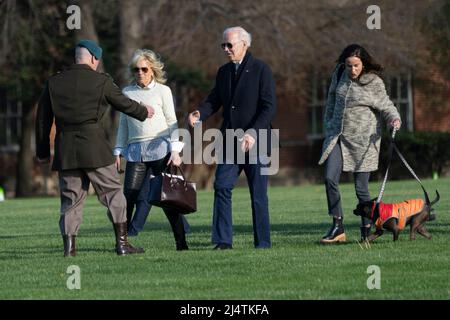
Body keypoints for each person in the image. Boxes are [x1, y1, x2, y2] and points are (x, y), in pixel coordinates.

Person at [35, 39, 155, 257]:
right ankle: (122, 244)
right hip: (95, 149)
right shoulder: (101, 81)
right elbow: (123, 103)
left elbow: (43, 119)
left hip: (66, 151)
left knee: (71, 201)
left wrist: (43, 151)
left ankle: (69, 250)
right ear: (93, 58)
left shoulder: (54, 82)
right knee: (113, 193)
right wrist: (144, 111)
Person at [188, 26, 277, 249]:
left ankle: (263, 243)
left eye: (230, 45)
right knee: (222, 187)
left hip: (257, 141)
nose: (226, 49)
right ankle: (222, 241)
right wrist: (200, 113)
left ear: (244, 45)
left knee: (258, 195)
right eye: (223, 45)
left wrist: (252, 133)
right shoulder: (223, 72)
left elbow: (269, 107)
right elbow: (214, 100)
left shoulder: (261, 69)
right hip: (229, 142)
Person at [318, 44, 401, 244]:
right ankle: (337, 226)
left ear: (364, 63)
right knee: (330, 177)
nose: (352, 70)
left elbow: (386, 105)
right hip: (337, 136)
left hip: (364, 142)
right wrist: (328, 123)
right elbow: (331, 101)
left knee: (361, 189)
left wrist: (394, 119)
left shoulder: (374, 82)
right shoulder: (339, 74)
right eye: (348, 66)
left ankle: (366, 229)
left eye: (356, 66)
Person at [114, 49, 189, 251]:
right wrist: (118, 150)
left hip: (160, 149)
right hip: (135, 151)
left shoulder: (163, 91)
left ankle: (181, 243)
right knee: (128, 196)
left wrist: (175, 150)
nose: (140, 72)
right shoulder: (127, 92)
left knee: (168, 198)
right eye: (136, 69)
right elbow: (123, 125)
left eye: (144, 69)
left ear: (152, 70)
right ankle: (122, 243)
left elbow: (172, 122)